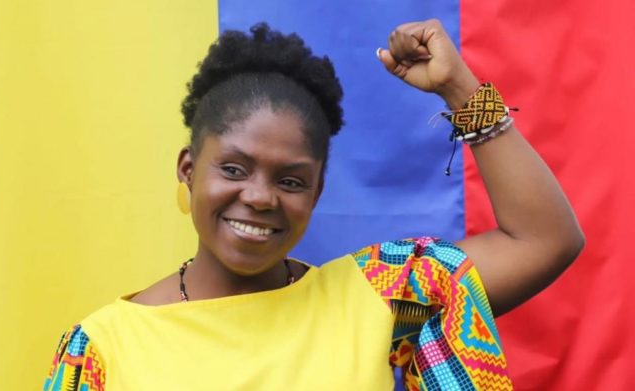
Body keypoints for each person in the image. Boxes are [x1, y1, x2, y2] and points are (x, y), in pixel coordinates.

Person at [43, 19, 583, 390]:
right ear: (188, 168)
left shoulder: (384, 295)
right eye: (233, 168)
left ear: (317, 192)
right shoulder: (100, 350)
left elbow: (544, 240)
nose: (258, 197)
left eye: (291, 180)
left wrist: (461, 90)